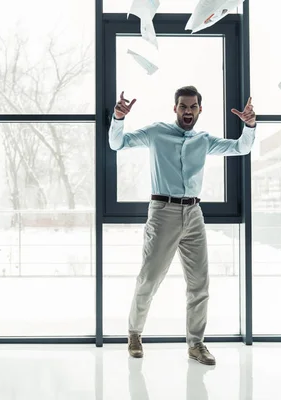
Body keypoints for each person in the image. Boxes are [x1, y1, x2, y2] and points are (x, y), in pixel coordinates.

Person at [108, 86, 257, 365]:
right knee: (150, 278)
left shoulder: (204, 139)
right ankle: (134, 333)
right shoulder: (156, 132)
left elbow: (241, 147)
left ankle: (196, 344)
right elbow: (118, 144)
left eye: (193, 107)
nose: (187, 111)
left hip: (194, 213)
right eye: (183, 106)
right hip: (162, 211)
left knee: (200, 283)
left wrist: (249, 125)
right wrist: (118, 119)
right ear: (174, 108)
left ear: (200, 109)